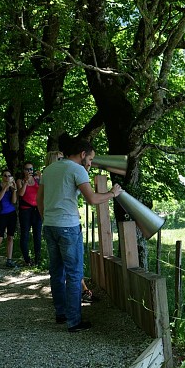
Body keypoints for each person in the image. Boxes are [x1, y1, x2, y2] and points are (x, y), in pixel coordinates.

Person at [37, 136, 122, 332]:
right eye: (90, 159)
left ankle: (61, 314)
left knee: (57, 271)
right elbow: (92, 199)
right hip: (68, 227)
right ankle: (74, 321)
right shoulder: (77, 170)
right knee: (75, 274)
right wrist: (112, 193)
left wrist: (46, 219)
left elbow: (39, 201)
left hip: (49, 226)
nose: (90, 163)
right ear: (82, 154)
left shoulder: (48, 170)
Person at [16, 161, 42, 266]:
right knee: (25, 235)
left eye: (31, 169)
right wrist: (26, 182)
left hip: (36, 210)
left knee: (37, 235)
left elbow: (43, 191)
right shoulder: (20, 181)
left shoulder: (37, 180)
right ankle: (27, 259)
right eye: (27, 169)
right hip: (25, 210)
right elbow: (21, 194)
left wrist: (41, 178)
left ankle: (38, 259)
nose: (29, 171)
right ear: (23, 170)